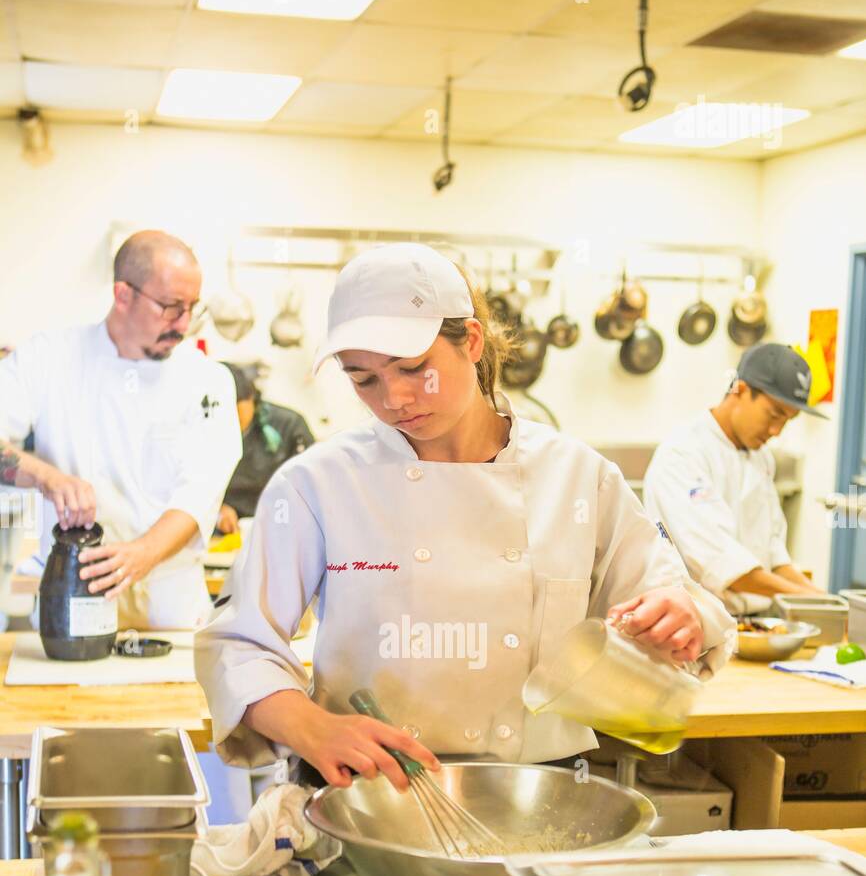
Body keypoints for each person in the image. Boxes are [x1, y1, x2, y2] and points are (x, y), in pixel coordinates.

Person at [196, 243, 734, 792]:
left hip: (535, 793)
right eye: (364, 379)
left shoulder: (576, 477)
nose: (395, 398)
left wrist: (682, 614)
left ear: (471, 341)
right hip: (367, 790)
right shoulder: (318, 483)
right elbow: (238, 643)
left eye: (413, 368)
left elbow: (671, 597)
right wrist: (311, 726)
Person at [0, 230, 241, 629]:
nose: (183, 325)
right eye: (170, 307)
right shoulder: (49, 358)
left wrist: (143, 553)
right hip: (71, 596)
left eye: (192, 308)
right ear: (123, 294)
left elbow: (201, 490)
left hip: (171, 606)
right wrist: (47, 477)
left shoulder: (209, 382)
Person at [642, 344, 828, 615]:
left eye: (787, 420)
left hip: (751, 622)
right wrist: (808, 598)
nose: (776, 431)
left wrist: (825, 600)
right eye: (774, 414)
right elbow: (723, 565)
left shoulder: (761, 458)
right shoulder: (682, 454)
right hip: (691, 626)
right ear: (739, 389)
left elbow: (773, 553)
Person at [215, 364, 314, 534]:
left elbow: (312, 486)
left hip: (283, 526)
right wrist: (217, 509)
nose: (229, 421)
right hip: (226, 532)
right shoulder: (200, 430)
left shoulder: (289, 425)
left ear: (251, 398)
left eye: (235, 411)